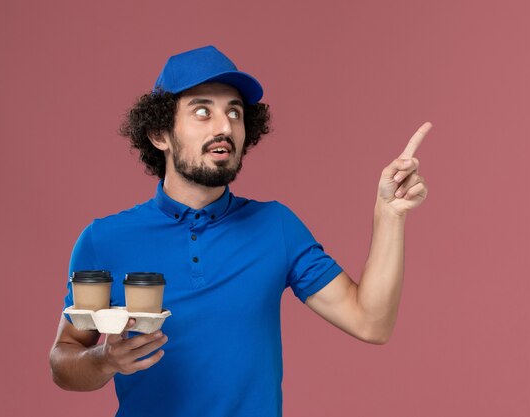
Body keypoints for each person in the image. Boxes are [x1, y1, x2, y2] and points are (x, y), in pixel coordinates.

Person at [49, 45, 431, 417]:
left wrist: (389, 216)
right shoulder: (105, 239)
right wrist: (103, 360)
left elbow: (371, 322)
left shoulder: (275, 227)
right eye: (202, 111)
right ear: (159, 134)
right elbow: (63, 360)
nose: (224, 127)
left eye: (235, 113)